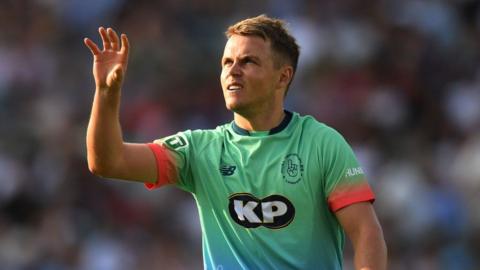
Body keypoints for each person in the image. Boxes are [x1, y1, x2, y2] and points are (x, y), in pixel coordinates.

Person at [84, 15, 387, 270]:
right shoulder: (200, 150)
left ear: (283, 77)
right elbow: (109, 162)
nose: (233, 70)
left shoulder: (321, 144)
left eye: (248, 61)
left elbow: (365, 233)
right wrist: (106, 94)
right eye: (227, 61)